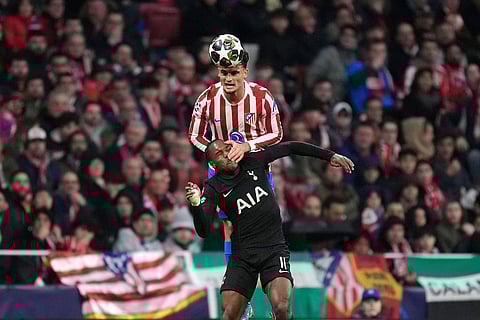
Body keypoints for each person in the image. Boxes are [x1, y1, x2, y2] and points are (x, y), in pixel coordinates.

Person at [185, 139, 354, 320]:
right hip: (243, 256)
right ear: (213, 164)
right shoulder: (214, 187)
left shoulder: (253, 160)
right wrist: (196, 205)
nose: (227, 154)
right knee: (229, 314)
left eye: (228, 148)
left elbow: (291, 147)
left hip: (273, 250)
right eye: (220, 154)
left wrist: (330, 156)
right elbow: (203, 231)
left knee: (282, 307)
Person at [188, 33, 283, 319]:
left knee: (263, 227)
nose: (227, 79)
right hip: (223, 174)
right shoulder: (206, 100)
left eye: (232, 72)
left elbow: (277, 133)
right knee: (231, 228)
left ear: (244, 70)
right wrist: (217, 153)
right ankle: (243, 298)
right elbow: (194, 135)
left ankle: (272, 285)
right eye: (222, 73)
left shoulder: (262, 97)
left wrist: (248, 147)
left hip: (256, 170)